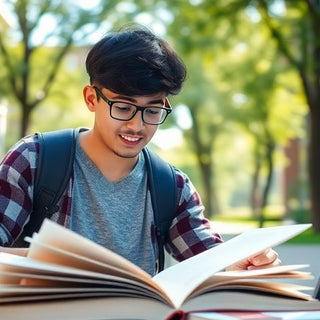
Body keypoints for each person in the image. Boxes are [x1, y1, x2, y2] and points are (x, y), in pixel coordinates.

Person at [0, 25, 280, 275]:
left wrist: (245, 263)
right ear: (91, 98)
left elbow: (212, 260)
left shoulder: (172, 186)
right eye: (122, 107)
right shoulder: (34, 160)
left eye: (153, 110)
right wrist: (46, 261)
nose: (137, 125)